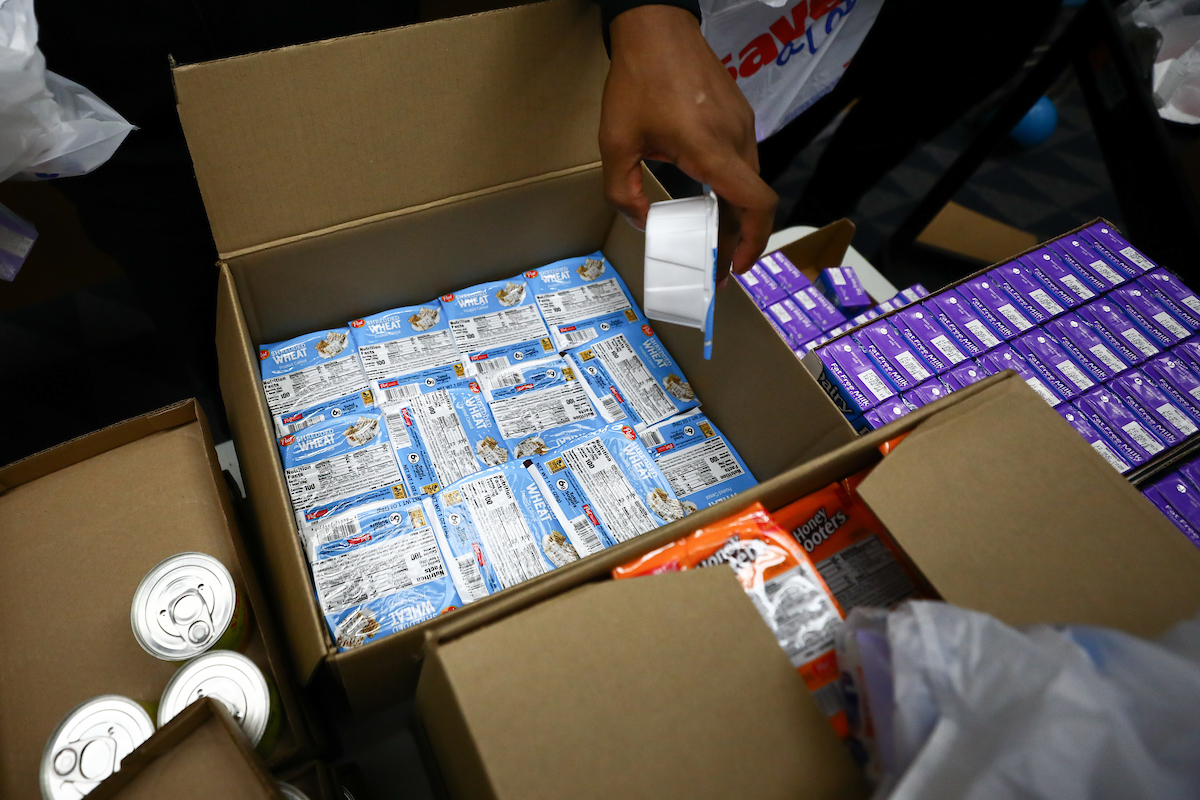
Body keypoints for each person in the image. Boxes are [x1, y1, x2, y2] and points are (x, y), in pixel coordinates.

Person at [599, 0, 1059, 276]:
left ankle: (802, 252)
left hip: (983, 20)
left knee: (871, 152)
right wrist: (651, 16)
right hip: (826, 18)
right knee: (767, 132)